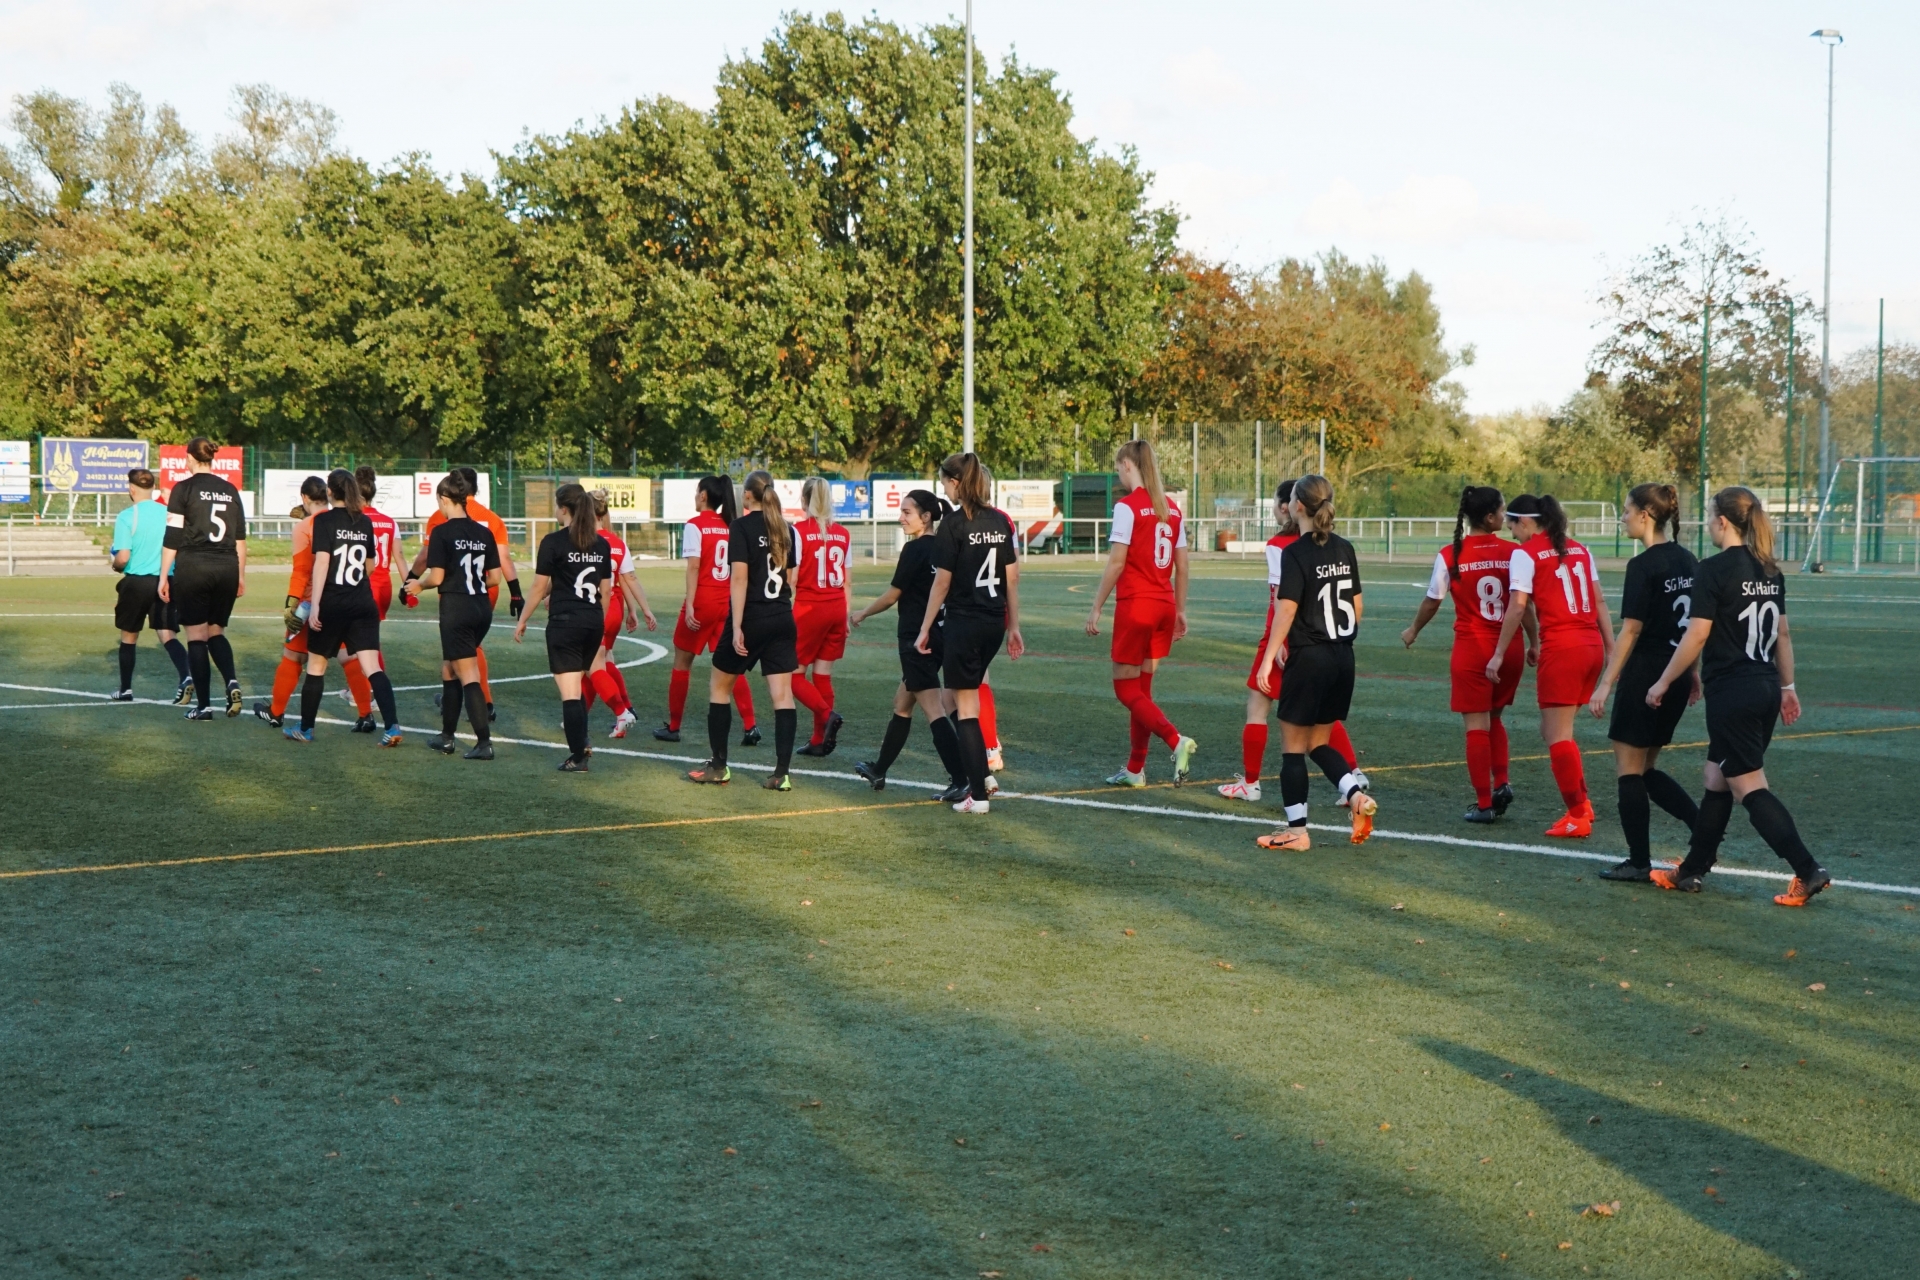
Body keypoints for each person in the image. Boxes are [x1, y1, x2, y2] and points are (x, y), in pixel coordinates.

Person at [1647, 488, 1829, 907]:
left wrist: (1663, 681)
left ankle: (1808, 870)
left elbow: (1697, 634)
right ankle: (1692, 869)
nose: (1709, 524)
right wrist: (1787, 688)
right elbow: (1782, 634)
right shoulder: (1769, 569)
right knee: (1717, 778)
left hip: (1733, 693)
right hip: (1764, 687)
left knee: (1749, 785)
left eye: (1710, 516)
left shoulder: (1712, 569)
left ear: (1723, 521)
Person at [1253, 475, 1376, 851]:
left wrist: (1269, 657)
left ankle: (1297, 832)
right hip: (1343, 658)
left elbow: (1286, 610)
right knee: (1319, 743)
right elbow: (1357, 607)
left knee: (1293, 748)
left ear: (1298, 507)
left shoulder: (1295, 553)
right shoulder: (1345, 548)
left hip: (1309, 657)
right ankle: (1355, 796)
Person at [1482, 494, 1614, 838]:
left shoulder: (1525, 554)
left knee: (1557, 736)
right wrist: (1611, 649)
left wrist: (1499, 653)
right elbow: (1599, 601)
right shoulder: (1580, 549)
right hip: (1591, 647)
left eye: (1512, 525)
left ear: (1526, 521)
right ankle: (1583, 804)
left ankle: (1577, 814)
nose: (1511, 533)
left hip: (1563, 649)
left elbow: (1517, 607)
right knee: (1553, 730)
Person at [1221, 480, 1361, 802]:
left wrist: (1276, 647)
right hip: (1334, 647)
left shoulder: (1282, 546)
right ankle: (1353, 775)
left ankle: (1252, 784)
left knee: (1261, 710)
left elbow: (1281, 602)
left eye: (1275, 502)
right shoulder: (1340, 546)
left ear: (1290, 506)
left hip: (1291, 640)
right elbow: (1356, 607)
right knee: (1321, 718)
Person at [1588, 484, 1702, 882]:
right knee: (1647, 767)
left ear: (1645, 515)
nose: (1623, 517)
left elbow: (1631, 631)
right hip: (1676, 674)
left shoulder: (1642, 566)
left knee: (1629, 771)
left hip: (1646, 677)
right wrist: (1693, 671)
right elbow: (1695, 625)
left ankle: (1638, 862)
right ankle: (1703, 828)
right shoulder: (1688, 559)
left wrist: (1605, 683)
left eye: (1626, 510)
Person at [1399, 485, 1531, 822]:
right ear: (1489, 517)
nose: (1504, 516)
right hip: (1509, 648)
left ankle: (1484, 804)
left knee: (1476, 726)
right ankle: (1502, 782)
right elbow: (1523, 605)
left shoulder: (1450, 554)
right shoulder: (1514, 552)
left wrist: (1413, 629)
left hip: (1473, 650)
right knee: (1495, 718)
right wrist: (1535, 642)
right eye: (1501, 511)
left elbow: (1433, 601)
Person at [916, 452, 1025, 814]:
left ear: (956, 483)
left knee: (964, 710)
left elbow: (941, 584)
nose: (944, 489)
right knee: (965, 702)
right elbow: (1012, 578)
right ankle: (983, 778)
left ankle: (977, 796)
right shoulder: (1000, 520)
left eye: (945, 482)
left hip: (964, 622)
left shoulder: (953, 524)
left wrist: (925, 628)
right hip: (994, 621)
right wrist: (1014, 626)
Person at [1084, 439, 1197, 786]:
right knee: (1141, 693)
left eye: (1118, 466)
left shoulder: (1127, 506)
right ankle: (1135, 770)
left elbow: (1117, 562)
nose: (1118, 472)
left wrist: (1096, 606)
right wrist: (1180, 610)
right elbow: (1182, 565)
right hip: (1163, 606)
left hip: (1137, 606)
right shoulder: (1171, 508)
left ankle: (1175, 740)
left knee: (1125, 690)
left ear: (1128, 465)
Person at [850, 489, 971, 790]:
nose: (901, 518)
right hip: (939, 635)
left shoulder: (914, 549)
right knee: (902, 704)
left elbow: (893, 595)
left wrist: (863, 612)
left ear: (926, 517)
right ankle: (879, 770)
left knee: (934, 710)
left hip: (916, 639)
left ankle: (962, 780)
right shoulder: (945, 547)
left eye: (907, 512)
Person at [688, 471, 802, 788]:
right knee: (783, 696)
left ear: (748, 495)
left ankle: (718, 766)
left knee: (719, 687)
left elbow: (739, 579)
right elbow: (791, 579)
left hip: (752, 616)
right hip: (782, 617)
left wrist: (737, 625)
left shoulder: (740, 526)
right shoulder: (787, 528)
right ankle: (782, 774)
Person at [288, 469, 401, 745]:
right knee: (372, 667)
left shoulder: (324, 521)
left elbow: (322, 563)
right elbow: (370, 566)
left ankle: (305, 729)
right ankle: (393, 727)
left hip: (333, 603)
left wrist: (315, 604)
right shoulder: (364, 521)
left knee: (316, 666)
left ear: (329, 492)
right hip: (363, 603)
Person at [514, 483, 614, 771]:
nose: (555, 512)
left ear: (565, 509)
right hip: (592, 621)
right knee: (576, 685)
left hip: (565, 623)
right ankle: (582, 742)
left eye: (557, 507)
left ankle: (578, 755)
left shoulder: (553, 542)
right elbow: (606, 591)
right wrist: (599, 621)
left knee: (570, 691)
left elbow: (538, 587)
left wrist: (523, 619)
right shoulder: (601, 544)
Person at [654, 475, 760, 746]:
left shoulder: (695, 524)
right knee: (731, 666)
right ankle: (751, 725)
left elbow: (694, 566)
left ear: (703, 496)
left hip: (703, 601)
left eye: (696, 492)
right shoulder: (731, 525)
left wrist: (690, 604)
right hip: (726, 602)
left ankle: (674, 727)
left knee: (682, 664)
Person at [410, 466, 519, 722]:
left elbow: (426, 559)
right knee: (464, 653)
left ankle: (482, 707)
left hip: (456, 595)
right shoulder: (490, 520)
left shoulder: (440, 519)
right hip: (484, 592)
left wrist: (412, 582)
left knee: (463, 655)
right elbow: (502, 562)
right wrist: (515, 593)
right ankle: (455, 705)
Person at [159, 436, 248, 720]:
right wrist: (240, 575)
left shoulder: (183, 488)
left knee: (196, 637)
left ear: (189, 458)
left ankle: (204, 706)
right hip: (227, 567)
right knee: (216, 631)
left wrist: (163, 576)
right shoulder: (230, 490)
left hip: (195, 566)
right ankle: (232, 682)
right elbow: (240, 540)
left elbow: (173, 537)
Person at [253, 477, 332, 727]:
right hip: (344, 598)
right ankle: (367, 714)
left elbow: (302, 570)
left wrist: (291, 604)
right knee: (350, 655)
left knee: (294, 655)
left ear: (305, 498)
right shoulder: (342, 521)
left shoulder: (304, 527)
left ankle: (276, 712)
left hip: (311, 602)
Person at [108, 468, 191, 701]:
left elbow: (123, 557)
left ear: (131, 489)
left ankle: (126, 689)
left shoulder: (127, 516)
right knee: (167, 634)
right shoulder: (168, 514)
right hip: (166, 580)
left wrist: (115, 565)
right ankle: (186, 676)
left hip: (136, 582)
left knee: (129, 635)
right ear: (153, 488)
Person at [581, 489, 658, 738]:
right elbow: (628, 579)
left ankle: (621, 712)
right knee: (604, 661)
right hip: (614, 608)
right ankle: (615, 711)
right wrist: (641, 610)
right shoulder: (617, 543)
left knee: (592, 668)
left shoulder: (584, 541)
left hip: (595, 608)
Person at [792, 476, 852, 756]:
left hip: (809, 608)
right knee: (823, 675)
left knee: (793, 675)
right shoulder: (843, 533)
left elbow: (793, 578)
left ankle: (827, 716)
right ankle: (818, 740)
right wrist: (846, 615)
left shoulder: (798, 531)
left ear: (805, 500)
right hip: (837, 607)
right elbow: (847, 581)